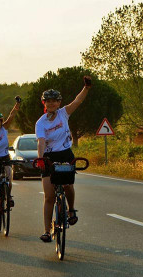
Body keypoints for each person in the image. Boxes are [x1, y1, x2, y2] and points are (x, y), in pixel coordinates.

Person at [35, 76, 92, 242]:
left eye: (54, 101)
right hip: (49, 157)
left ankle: (71, 209)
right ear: (44, 103)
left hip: (66, 154)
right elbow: (41, 142)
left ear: (59, 103)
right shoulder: (41, 123)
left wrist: (86, 88)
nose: (51, 104)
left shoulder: (64, 113)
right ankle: (46, 231)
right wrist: (40, 159)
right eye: (48, 101)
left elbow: (77, 101)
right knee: (49, 196)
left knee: (67, 186)